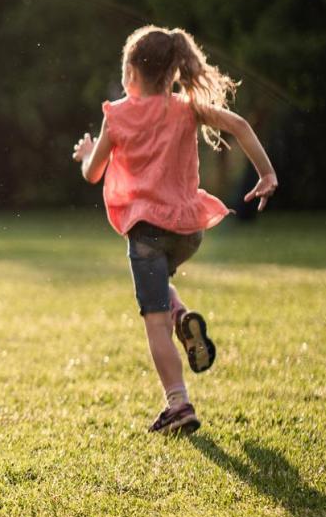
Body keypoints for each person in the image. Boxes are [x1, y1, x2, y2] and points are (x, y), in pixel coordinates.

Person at [72, 26, 278, 435]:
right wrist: (267, 173)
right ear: (172, 74)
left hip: (146, 232)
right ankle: (183, 317)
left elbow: (93, 173)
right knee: (161, 287)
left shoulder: (118, 114)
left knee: (153, 321)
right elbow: (238, 124)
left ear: (132, 72)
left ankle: (178, 404)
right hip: (188, 230)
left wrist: (84, 153)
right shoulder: (187, 108)